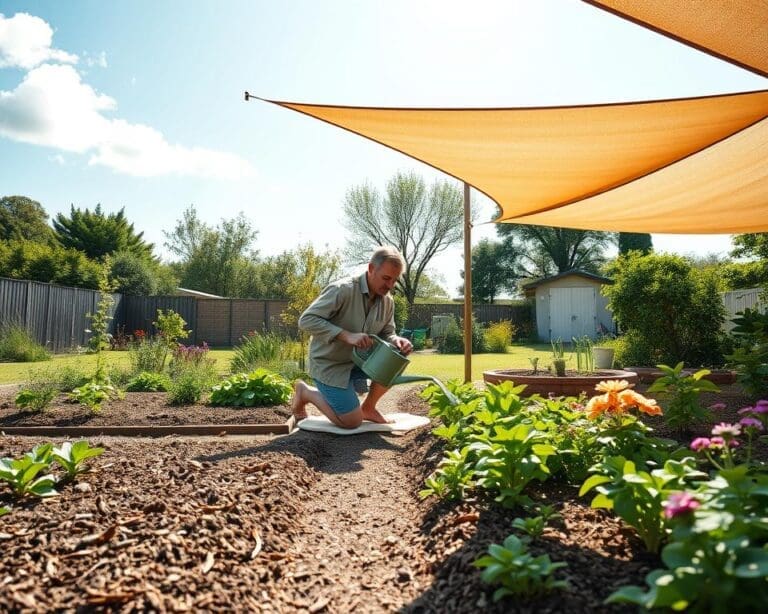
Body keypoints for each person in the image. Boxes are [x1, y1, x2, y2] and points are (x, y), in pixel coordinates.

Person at [291, 246, 413, 429]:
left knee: (396, 358)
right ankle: (306, 392)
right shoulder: (342, 290)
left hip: (361, 362)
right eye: (386, 278)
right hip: (331, 364)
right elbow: (306, 320)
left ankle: (369, 408)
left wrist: (396, 340)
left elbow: (388, 333)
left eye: (394, 281)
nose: (389, 286)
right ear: (371, 269)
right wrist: (345, 335)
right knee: (351, 422)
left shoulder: (387, 301)